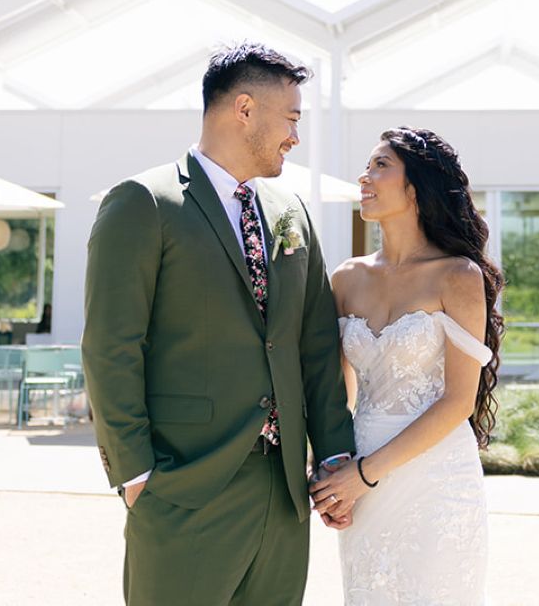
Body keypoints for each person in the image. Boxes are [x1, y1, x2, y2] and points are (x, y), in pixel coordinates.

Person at [82, 43, 356, 606]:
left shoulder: (291, 211)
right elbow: (111, 346)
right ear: (245, 109)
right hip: (184, 487)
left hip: (283, 497)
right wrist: (135, 476)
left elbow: (316, 346)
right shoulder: (143, 202)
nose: (295, 137)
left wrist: (333, 457)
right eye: (292, 119)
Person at [309, 126, 504, 605]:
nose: (364, 176)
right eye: (367, 165)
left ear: (416, 187)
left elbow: (458, 401)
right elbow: (336, 393)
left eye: (380, 165)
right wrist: (332, 468)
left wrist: (366, 473)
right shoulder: (346, 278)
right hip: (362, 486)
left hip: (436, 480)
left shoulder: (458, 276)